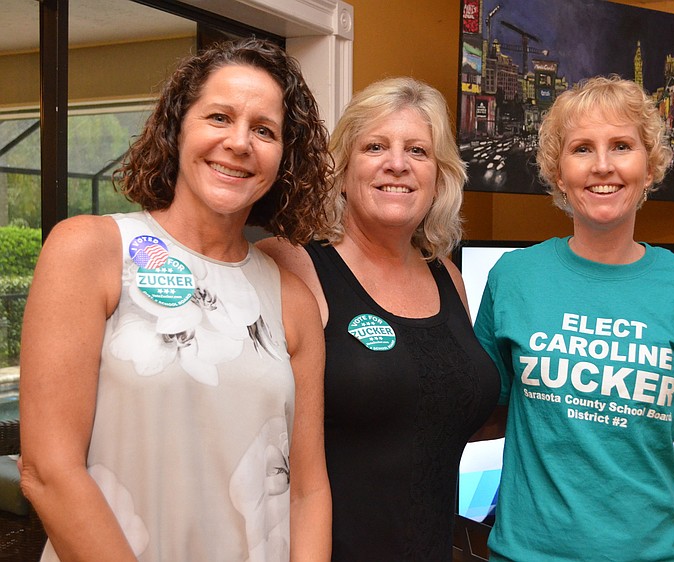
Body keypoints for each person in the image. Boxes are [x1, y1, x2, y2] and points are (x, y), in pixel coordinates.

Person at [18, 38, 332, 562]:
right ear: (177, 127)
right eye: (218, 117)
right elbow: (48, 471)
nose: (239, 142)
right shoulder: (91, 250)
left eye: (264, 130)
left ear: (285, 157)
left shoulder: (291, 300)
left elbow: (308, 491)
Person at [473, 75, 674, 562]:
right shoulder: (513, 277)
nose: (603, 166)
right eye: (582, 149)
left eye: (621, 146)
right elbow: (477, 410)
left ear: (650, 167)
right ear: (558, 173)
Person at [257, 76, 500, 561]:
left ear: (440, 175)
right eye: (375, 147)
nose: (398, 164)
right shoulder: (293, 264)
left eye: (418, 151)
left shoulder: (446, 276)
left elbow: (436, 412)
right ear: (343, 169)